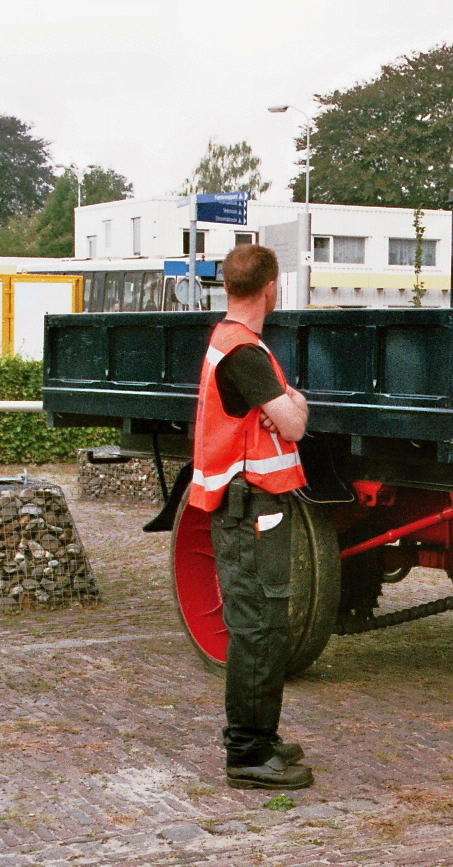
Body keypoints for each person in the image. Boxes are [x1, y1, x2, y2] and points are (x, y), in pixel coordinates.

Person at [187, 244, 313, 790]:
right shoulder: (244, 353)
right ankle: (247, 751)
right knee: (259, 627)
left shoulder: (235, 345)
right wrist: (290, 403)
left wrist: (284, 407)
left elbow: (283, 417)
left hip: (249, 504)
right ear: (271, 287)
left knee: (265, 625)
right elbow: (295, 423)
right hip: (251, 505)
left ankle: (259, 735)